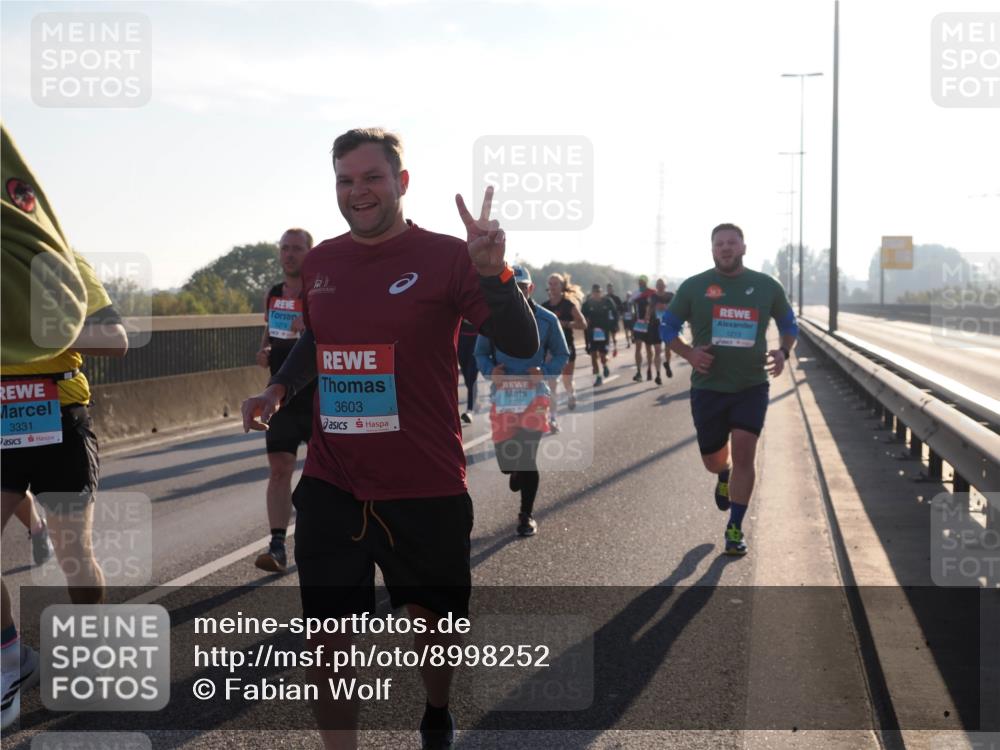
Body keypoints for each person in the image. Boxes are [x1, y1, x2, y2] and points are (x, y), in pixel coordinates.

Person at [241, 128, 538, 750]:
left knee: (434, 631)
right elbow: (316, 343)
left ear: (401, 183)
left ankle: (435, 710)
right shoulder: (321, 261)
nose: (358, 191)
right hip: (333, 480)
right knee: (327, 642)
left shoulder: (450, 257)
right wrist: (280, 391)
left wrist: (495, 273)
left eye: (371, 178)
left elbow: (520, 342)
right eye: (346, 181)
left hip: (424, 482)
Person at [660, 223, 797, 556]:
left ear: (743, 248)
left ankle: (735, 527)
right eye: (719, 243)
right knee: (713, 460)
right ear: (712, 250)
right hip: (709, 387)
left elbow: (788, 324)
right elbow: (666, 326)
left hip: (751, 384)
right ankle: (723, 473)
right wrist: (690, 353)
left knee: (746, 449)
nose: (725, 248)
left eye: (731, 243)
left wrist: (783, 351)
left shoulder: (766, 286)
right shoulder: (694, 287)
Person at [475, 266, 569, 537]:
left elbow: (562, 353)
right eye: (512, 286)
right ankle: (514, 470)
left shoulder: (547, 320)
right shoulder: (491, 319)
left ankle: (525, 515)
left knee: (526, 457)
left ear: (531, 289)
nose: (517, 291)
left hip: (535, 396)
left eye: (522, 286)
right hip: (503, 396)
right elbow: (480, 354)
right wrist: (491, 371)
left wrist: (545, 372)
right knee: (508, 462)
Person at [252, 227, 315, 574]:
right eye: (285, 249)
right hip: (281, 398)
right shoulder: (274, 293)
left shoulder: (318, 292)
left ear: (310, 252)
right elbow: (270, 333)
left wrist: (309, 326)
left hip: (317, 396)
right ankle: (277, 544)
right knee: (279, 470)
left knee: (327, 474)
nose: (289, 254)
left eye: (297, 248)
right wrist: (263, 351)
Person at [540, 273, 585, 433]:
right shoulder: (544, 306)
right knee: (552, 384)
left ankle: (571, 394)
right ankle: (552, 419)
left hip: (566, 348)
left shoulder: (568, 305)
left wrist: (566, 324)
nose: (552, 287)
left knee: (566, 381)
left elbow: (583, 324)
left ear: (562, 286)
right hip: (550, 350)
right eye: (550, 284)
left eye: (556, 284)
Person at [581, 284, 617, 386]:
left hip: (604, 332)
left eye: (598, 292)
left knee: (602, 356)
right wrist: (586, 340)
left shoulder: (607, 301)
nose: (596, 294)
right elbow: (583, 319)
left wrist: (614, 326)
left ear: (601, 292)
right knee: (593, 356)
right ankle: (598, 377)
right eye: (595, 292)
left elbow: (615, 313)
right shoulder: (587, 304)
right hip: (592, 333)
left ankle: (605, 365)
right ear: (592, 293)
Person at [643, 277, 675, 385]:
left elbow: (677, 307)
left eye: (662, 285)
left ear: (665, 286)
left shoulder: (671, 296)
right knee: (657, 350)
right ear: (656, 286)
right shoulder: (652, 297)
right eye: (658, 285)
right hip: (655, 325)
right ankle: (658, 374)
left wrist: (666, 307)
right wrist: (647, 317)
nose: (660, 287)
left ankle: (667, 364)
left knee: (667, 349)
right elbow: (649, 308)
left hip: (667, 325)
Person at [629, 275, 656, 382]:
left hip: (649, 324)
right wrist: (632, 322)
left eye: (642, 282)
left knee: (649, 348)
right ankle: (639, 372)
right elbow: (630, 307)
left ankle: (649, 369)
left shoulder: (652, 293)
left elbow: (656, 306)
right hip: (639, 324)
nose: (641, 283)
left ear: (646, 282)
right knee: (638, 348)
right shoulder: (636, 294)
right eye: (639, 282)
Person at [456, 319, 478, 425]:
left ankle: (470, 410)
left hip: (476, 339)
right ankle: (474, 401)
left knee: (471, 376)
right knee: (466, 376)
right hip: (461, 339)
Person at [605, 283, 624, 357]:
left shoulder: (616, 298)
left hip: (614, 319)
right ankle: (607, 348)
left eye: (610, 289)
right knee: (607, 335)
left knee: (613, 335)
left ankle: (615, 347)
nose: (609, 290)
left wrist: (618, 313)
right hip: (606, 320)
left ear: (613, 289)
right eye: (608, 289)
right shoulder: (605, 298)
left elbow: (622, 308)